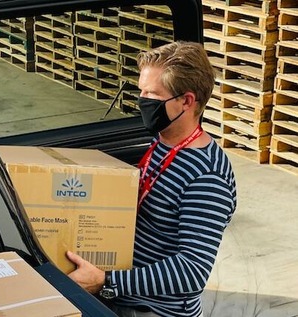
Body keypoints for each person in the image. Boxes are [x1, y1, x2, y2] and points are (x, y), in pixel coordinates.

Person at [66, 41, 237, 317]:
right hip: (125, 295)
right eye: (141, 91)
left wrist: (107, 281)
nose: (142, 100)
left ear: (187, 101)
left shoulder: (206, 176)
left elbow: (192, 271)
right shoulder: (162, 142)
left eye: (152, 94)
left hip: (151, 309)